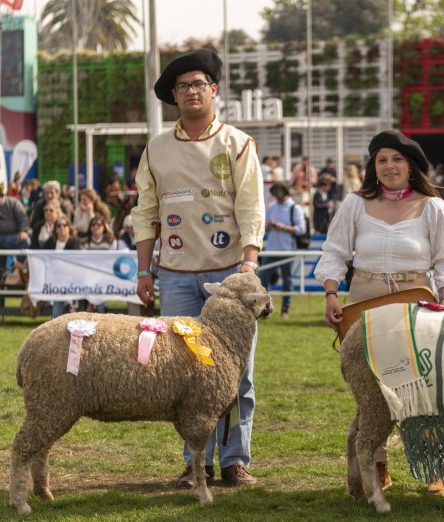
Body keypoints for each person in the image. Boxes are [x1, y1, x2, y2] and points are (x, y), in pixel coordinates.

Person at [130, 48, 264, 489]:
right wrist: (144, 270)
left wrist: (249, 260)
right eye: (183, 85)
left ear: (214, 90)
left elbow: (250, 207)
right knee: (183, 373)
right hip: (175, 275)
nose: (191, 91)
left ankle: (234, 461)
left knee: (235, 375)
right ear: (174, 95)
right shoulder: (156, 149)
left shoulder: (238, 143)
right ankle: (195, 463)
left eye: (199, 84)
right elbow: (145, 211)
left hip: (230, 277)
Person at [315, 129, 444, 497]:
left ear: (411, 166)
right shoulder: (354, 204)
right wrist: (332, 293)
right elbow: (334, 252)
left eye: (397, 159)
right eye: (382, 159)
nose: (390, 165)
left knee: (426, 387)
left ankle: (435, 469)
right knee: (372, 391)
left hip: (418, 304)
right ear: (373, 167)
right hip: (365, 302)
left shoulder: (433, 207)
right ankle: (375, 465)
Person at [259, 182, 306, 321]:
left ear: (285, 193)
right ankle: (265, 309)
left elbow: (301, 229)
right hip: (272, 249)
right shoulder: (272, 206)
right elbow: (264, 228)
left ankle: (285, 310)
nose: (277, 196)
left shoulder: (294, 208)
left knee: (287, 281)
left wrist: (284, 227)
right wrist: (268, 226)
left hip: (287, 250)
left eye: (279, 193)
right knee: (263, 279)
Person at [42, 216, 82, 318]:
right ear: (55, 229)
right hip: (55, 282)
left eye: (65, 225)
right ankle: (68, 304)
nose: (62, 228)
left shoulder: (75, 243)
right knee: (56, 315)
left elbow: (75, 263)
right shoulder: (50, 242)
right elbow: (42, 257)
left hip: (71, 282)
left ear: (69, 227)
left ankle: (69, 303)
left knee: (67, 315)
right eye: (59, 226)